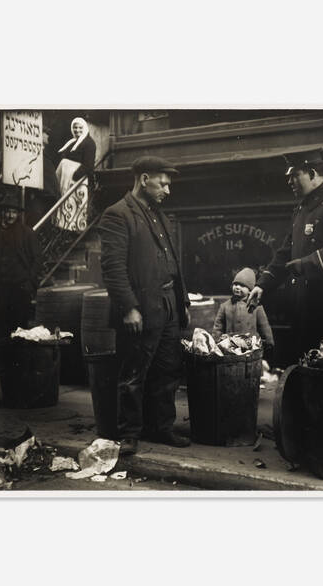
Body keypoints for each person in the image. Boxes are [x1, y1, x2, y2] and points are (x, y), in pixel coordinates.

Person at [98, 156, 191, 456]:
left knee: (168, 370)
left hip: (168, 305)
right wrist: (128, 307)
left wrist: (183, 301)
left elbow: (173, 263)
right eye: (162, 183)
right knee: (134, 373)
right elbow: (113, 269)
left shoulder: (160, 215)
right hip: (140, 307)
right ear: (143, 179)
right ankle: (129, 434)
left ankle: (161, 427)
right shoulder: (117, 214)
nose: (168, 190)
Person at [247, 149, 323, 361]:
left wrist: (305, 264)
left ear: (312, 173)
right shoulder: (302, 208)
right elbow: (285, 252)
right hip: (306, 306)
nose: (290, 181)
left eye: (294, 175)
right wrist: (262, 284)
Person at [0, 193, 42, 339]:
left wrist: (29, 282)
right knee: (1, 328)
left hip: (20, 289)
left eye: (14, 212)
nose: (10, 215)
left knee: (20, 331)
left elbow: (37, 259)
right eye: (7, 211)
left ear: (18, 214)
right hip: (1, 288)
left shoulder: (26, 233)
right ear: (2, 212)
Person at [212, 267, 275, 358]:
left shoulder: (256, 307)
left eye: (242, 285)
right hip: (230, 347)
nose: (237, 287)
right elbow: (218, 326)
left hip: (251, 347)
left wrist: (269, 343)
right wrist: (215, 341)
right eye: (235, 284)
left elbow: (264, 326)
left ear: (250, 290)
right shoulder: (225, 306)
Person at [53, 117, 96, 231]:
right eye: (75, 127)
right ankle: (63, 227)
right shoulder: (71, 143)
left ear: (85, 128)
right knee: (65, 202)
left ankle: (73, 230)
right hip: (66, 177)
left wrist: (74, 176)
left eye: (80, 127)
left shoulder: (89, 143)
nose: (77, 130)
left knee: (74, 202)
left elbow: (88, 165)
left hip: (76, 179)